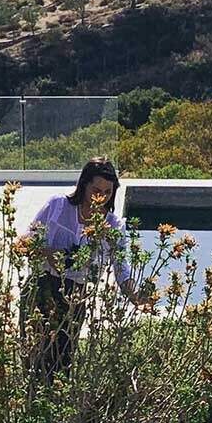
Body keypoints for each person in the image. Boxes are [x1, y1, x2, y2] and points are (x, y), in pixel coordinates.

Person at [26, 156, 136, 373]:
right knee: (34, 354)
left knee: (63, 359)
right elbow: (26, 241)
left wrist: (136, 296)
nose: (101, 197)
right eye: (96, 190)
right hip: (41, 286)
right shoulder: (57, 205)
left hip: (75, 295)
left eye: (107, 192)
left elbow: (121, 267)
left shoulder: (113, 225)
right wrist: (50, 254)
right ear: (83, 185)